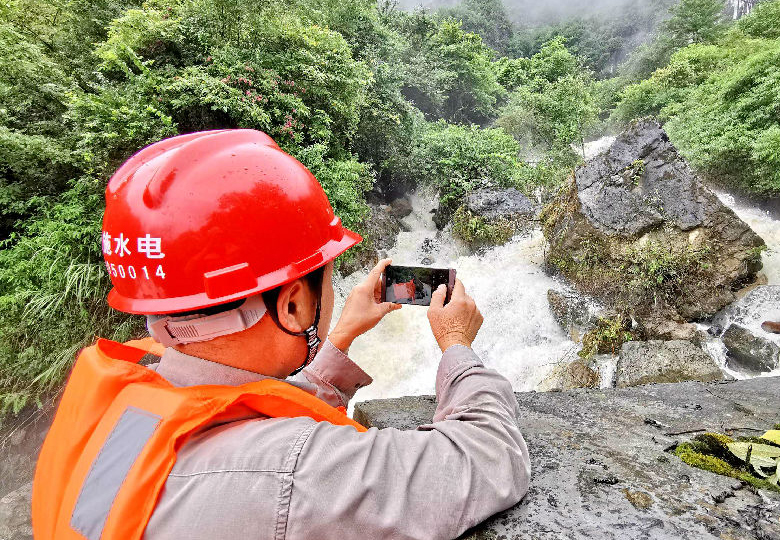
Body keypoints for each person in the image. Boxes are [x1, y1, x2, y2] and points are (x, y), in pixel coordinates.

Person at [31, 129, 530, 540]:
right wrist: (457, 343)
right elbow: (489, 456)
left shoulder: (125, 395)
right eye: (327, 273)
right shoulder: (296, 475)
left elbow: (233, 414)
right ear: (293, 304)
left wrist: (339, 338)